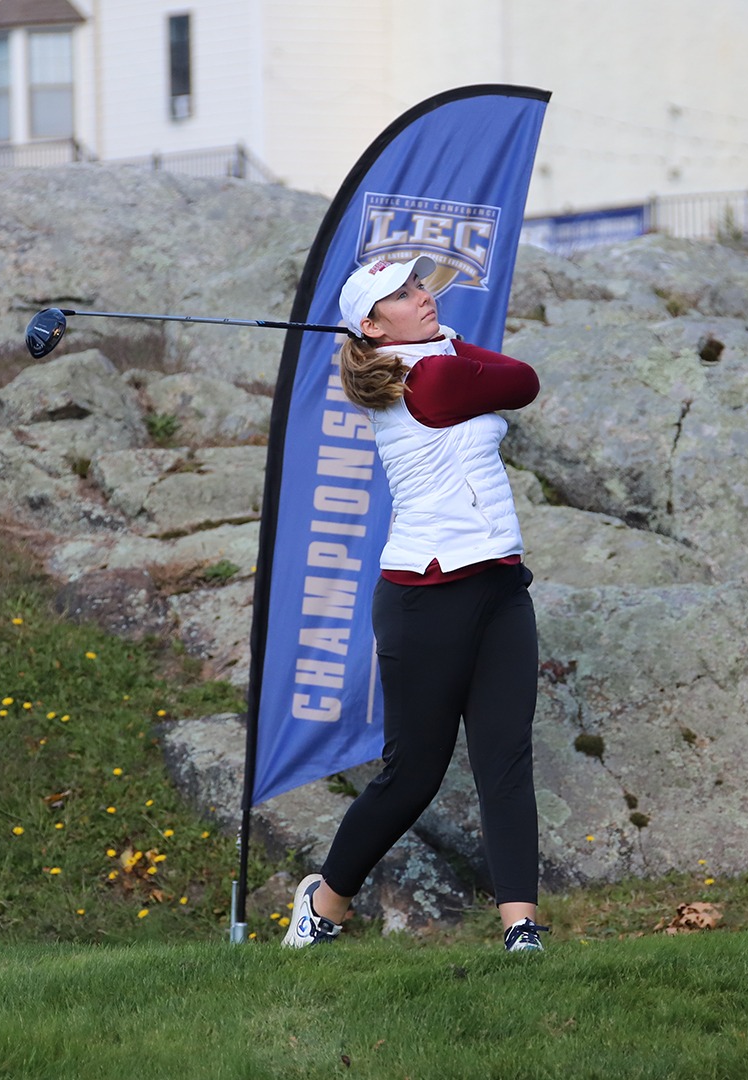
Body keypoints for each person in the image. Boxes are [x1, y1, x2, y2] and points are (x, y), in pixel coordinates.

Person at [282, 254, 548, 954]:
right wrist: (451, 349)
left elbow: (507, 380)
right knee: (412, 777)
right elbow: (522, 381)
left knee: (506, 760)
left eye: (419, 284)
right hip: (425, 597)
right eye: (400, 294)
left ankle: (521, 928)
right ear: (371, 325)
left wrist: (446, 342)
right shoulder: (431, 378)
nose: (422, 295)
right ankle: (323, 903)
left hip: (498, 584)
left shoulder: (440, 357)